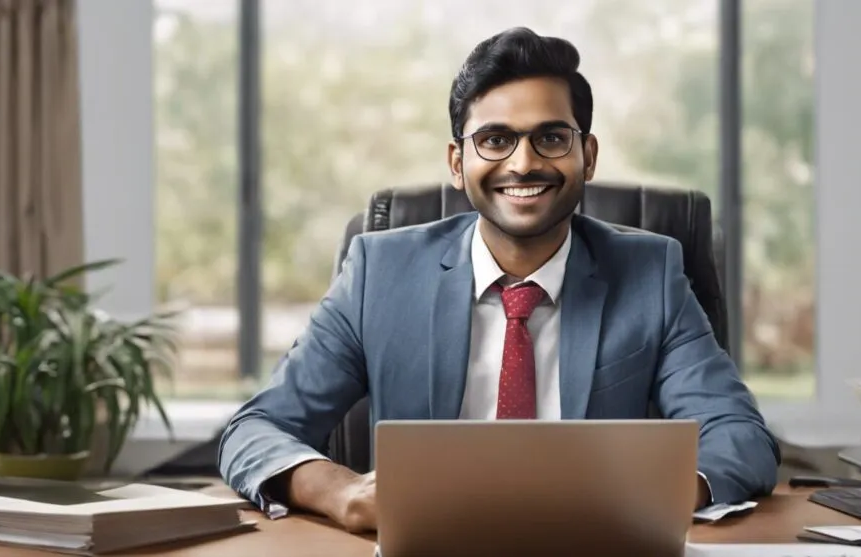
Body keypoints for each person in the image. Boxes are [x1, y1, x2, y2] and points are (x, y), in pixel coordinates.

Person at [218, 26, 780, 534]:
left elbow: (740, 435)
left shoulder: (651, 273)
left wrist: (657, 493)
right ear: (458, 162)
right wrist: (342, 492)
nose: (523, 163)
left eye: (552, 138)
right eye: (495, 140)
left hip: (595, 543)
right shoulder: (378, 274)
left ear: (587, 155)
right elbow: (255, 429)